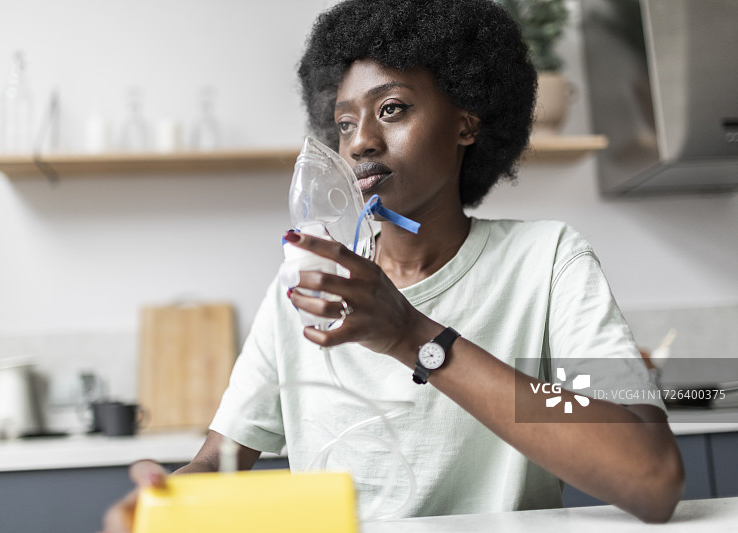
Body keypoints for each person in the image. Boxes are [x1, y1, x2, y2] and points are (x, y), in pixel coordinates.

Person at [101, 0, 684, 530]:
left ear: (466, 122)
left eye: (392, 108)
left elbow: (650, 479)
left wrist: (414, 336)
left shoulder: (546, 263)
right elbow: (219, 460)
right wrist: (165, 503)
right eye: (346, 122)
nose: (360, 143)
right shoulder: (307, 282)